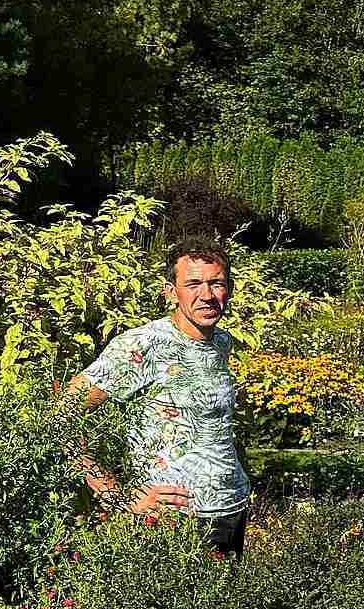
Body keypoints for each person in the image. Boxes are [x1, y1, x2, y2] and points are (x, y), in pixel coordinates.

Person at [70, 237, 252, 557]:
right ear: (171, 292)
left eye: (217, 283)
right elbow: (60, 417)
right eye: (193, 283)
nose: (207, 295)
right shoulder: (142, 346)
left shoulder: (221, 342)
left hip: (231, 508)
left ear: (229, 290)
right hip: (174, 520)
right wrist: (120, 498)